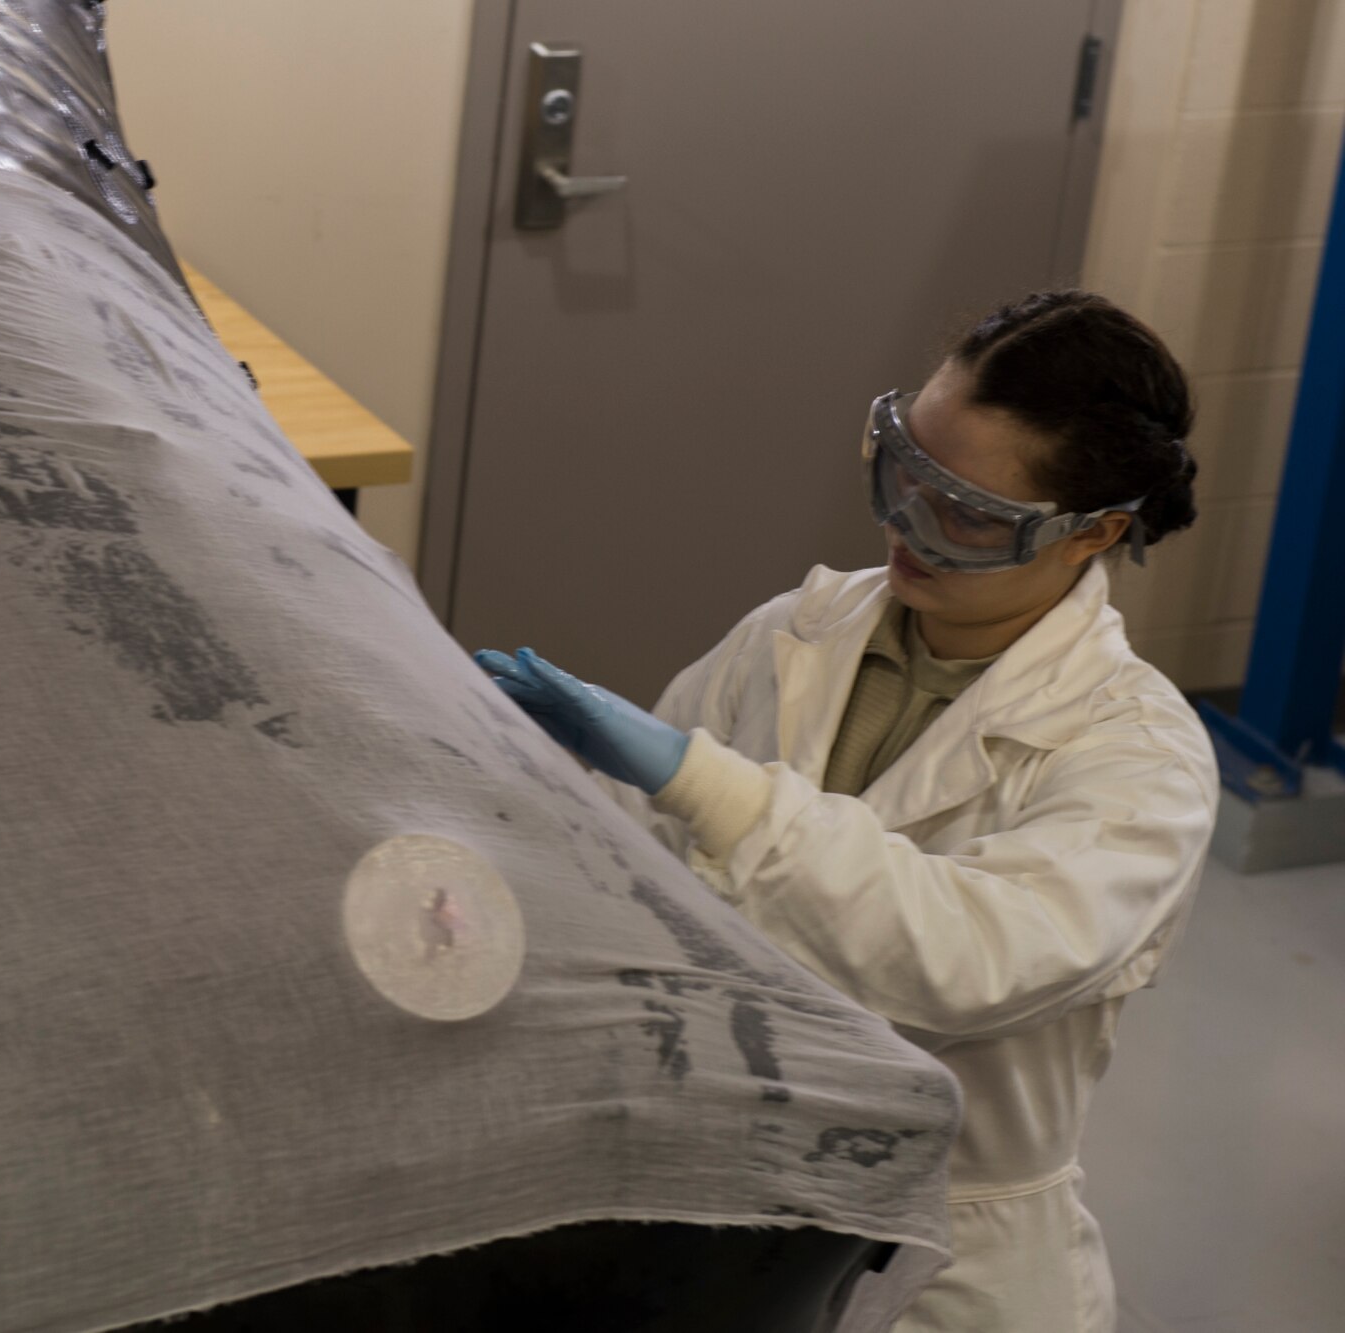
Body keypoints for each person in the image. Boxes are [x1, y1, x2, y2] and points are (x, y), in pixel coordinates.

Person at [476, 290, 1217, 1333]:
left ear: (1090, 532)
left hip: (946, 1252)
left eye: (965, 512)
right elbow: (632, 865)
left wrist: (710, 788)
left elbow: (972, 957)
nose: (905, 522)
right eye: (902, 467)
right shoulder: (796, 633)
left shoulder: (1139, 758)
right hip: (717, 1181)